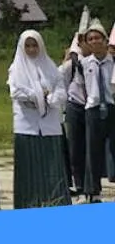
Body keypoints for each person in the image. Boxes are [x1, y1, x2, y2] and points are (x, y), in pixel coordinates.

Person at [8, 30, 70, 208]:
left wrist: (49, 98)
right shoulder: (16, 68)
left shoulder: (49, 67)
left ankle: (55, 200)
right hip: (26, 124)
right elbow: (16, 92)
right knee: (29, 166)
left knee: (51, 165)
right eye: (27, 46)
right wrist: (38, 95)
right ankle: (29, 202)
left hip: (50, 124)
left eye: (35, 45)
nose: (31, 49)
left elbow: (60, 91)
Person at [81, 20, 114, 203]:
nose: (94, 42)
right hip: (93, 109)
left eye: (97, 38)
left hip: (112, 106)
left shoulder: (113, 61)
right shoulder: (84, 64)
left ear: (105, 39)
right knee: (92, 151)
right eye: (90, 39)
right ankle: (93, 191)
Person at [59, 33, 87, 196]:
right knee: (75, 148)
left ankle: (91, 184)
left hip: (93, 107)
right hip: (74, 106)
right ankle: (79, 184)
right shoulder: (73, 64)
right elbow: (58, 78)